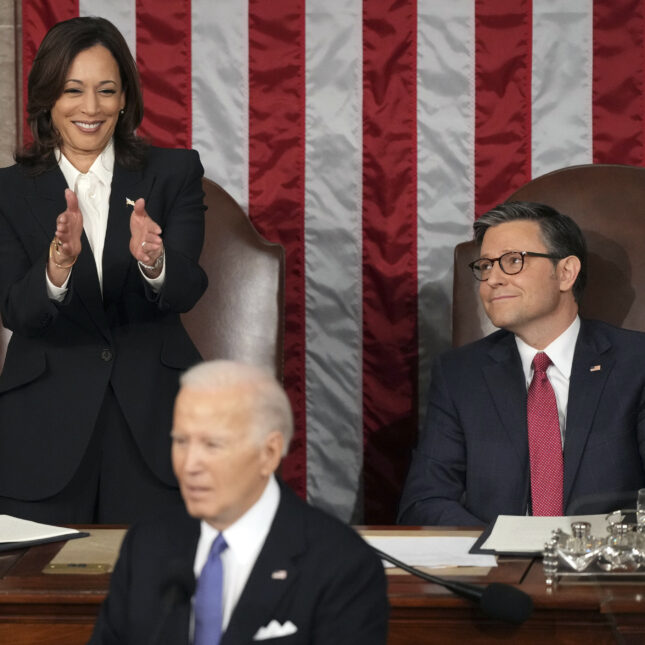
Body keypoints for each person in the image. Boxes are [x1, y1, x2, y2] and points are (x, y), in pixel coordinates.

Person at [0, 17, 207, 523]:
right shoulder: (7, 190)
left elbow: (186, 288)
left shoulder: (174, 172)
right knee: (35, 599)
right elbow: (15, 310)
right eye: (73, 90)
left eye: (105, 91)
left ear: (124, 99)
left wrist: (154, 261)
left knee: (157, 593)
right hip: (41, 430)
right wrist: (56, 266)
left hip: (157, 427)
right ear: (48, 97)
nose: (90, 108)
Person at [89, 360, 389, 645]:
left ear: (269, 453)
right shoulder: (147, 546)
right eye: (181, 441)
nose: (190, 464)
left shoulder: (342, 565)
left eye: (213, 444)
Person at [398, 201, 645, 526]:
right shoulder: (460, 374)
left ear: (566, 273)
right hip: (497, 567)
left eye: (513, 261)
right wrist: (503, 549)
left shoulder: (636, 363)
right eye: (485, 266)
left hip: (605, 569)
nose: (492, 280)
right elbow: (424, 503)